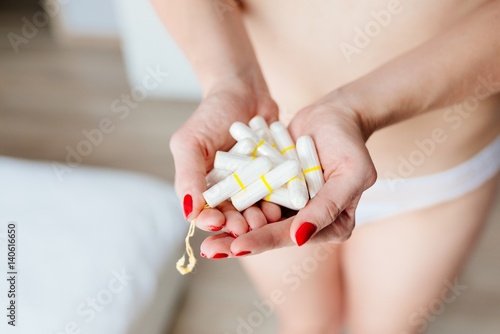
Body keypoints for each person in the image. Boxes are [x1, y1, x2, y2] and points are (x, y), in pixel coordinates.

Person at [152, 0, 500, 333]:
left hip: (432, 179)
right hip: (273, 188)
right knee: (307, 325)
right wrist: (229, 80)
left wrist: (357, 109)